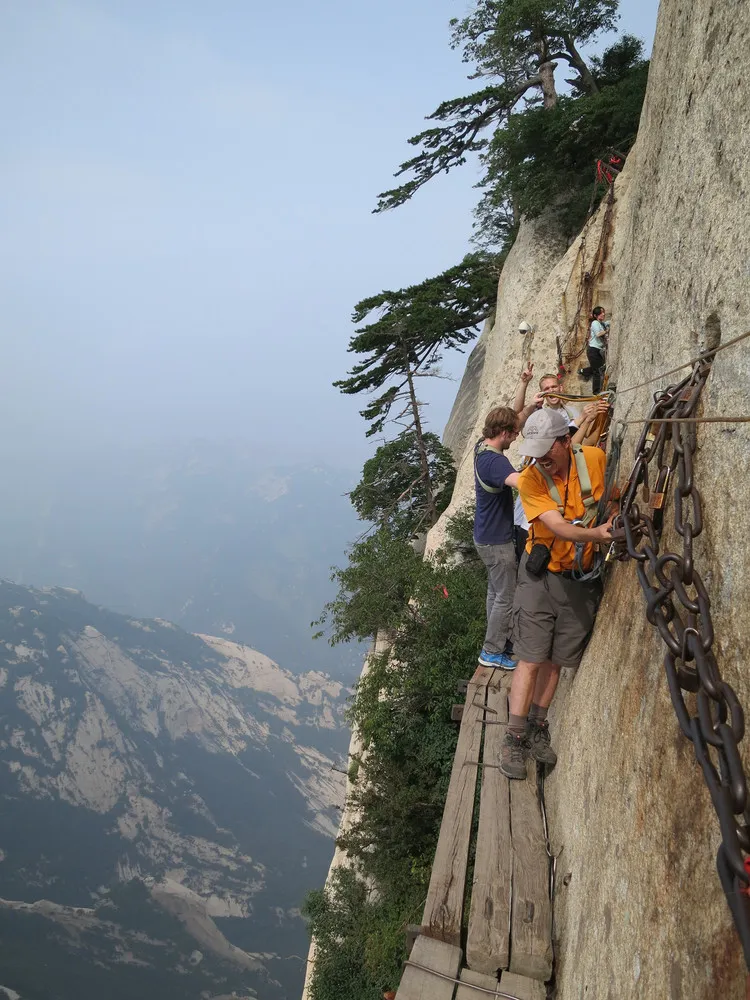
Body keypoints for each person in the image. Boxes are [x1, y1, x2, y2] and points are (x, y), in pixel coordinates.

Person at [500, 407, 614, 779]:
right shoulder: (532, 479)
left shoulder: (594, 459)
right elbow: (557, 527)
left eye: (548, 449)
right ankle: (514, 738)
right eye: (536, 452)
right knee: (531, 658)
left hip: (579, 579)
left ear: (567, 441)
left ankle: (538, 727)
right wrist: (598, 535)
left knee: (556, 660)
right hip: (541, 577)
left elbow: (608, 493)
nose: (541, 459)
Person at [473, 406, 521, 670]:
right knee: (506, 596)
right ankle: (492, 651)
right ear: (503, 433)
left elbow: (515, 417)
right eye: (514, 434)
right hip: (497, 541)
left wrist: (526, 393)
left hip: (484, 536)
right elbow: (520, 482)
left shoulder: (482, 448)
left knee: (495, 593)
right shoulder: (497, 462)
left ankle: (497, 643)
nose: (516, 438)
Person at [578, 306, 609, 394]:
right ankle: (596, 392)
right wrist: (607, 331)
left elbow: (606, 324)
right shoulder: (595, 323)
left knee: (600, 367)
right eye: (601, 313)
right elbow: (598, 334)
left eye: (603, 312)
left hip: (597, 350)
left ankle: (584, 371)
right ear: (596, 315)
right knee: (597, 371)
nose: (603, 314)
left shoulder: (601, 324)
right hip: (593, 350)